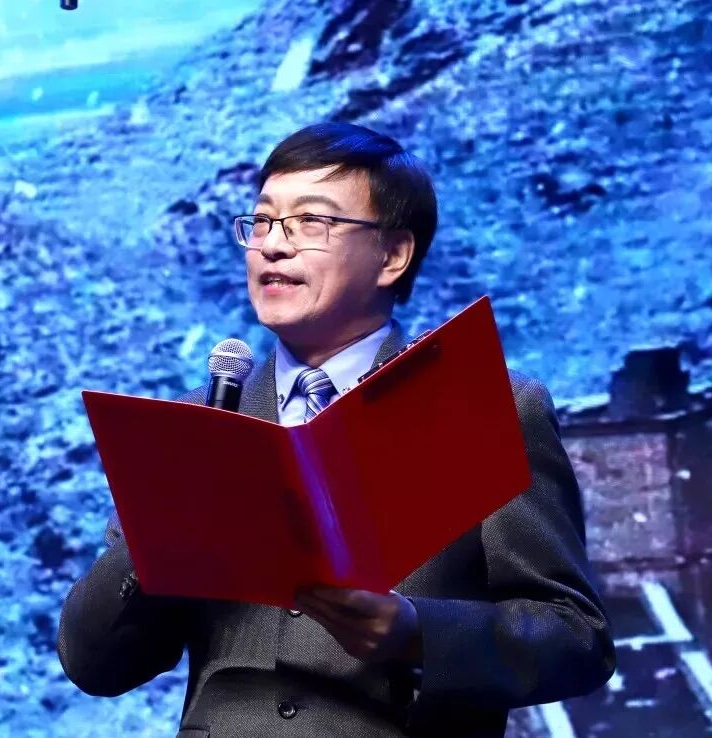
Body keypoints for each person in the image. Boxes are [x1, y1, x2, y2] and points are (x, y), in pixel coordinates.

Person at [57, 122, 616, 737]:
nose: (273, 246)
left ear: (392, 255)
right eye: (262, 222)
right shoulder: (200, 422)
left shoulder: (487, 406)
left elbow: (576, 637)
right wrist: (158, 529)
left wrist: (418, 633)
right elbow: (93, 664)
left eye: (310, 222)